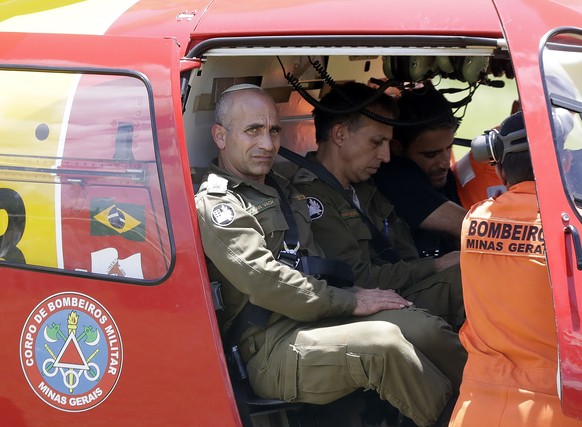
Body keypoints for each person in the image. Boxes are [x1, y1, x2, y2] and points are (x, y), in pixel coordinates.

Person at [195, 84, 467, 427]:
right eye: (253, 131)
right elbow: (266, 281)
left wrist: (356, 294)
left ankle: (489, 403)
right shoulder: (218, 205)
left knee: (421, 327)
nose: (267, 143)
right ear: (220, 136)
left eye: (274, 130)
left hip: (318, 321)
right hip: (269, 347)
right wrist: (349, 301)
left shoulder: (281, 186)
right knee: (384, 346)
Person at [292, 81, 464, 330]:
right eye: (376, 142)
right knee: (467, 281)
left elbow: (404, 254)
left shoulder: (364, 187)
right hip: (367, 309)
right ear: (340, 135)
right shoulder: (312, 197)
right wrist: (436, 265)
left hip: (401, 293)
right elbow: (356, 278)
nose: (386, 156)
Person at [449, 111, 582, 426]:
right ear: (564, 162)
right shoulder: (574, 229)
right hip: (557, 411)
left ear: (501, 173)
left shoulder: (475, 220)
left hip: (475, 409)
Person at [372, 83, 467, 257]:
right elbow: (466, 225)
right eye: (431, 154)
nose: (444, 163)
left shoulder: (439, 173)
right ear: (397, 148)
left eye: (449, 148)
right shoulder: (393, 176)